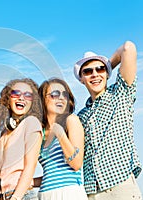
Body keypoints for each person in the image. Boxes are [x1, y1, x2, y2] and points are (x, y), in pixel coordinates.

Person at [74, 41, 142, 199]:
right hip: (92, 191)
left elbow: (128, 48)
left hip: (121, 186)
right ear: (81, 79)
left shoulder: (120, 94)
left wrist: (106, 67)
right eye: (88, 71)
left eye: (100, 68)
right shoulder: (81, 116)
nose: (95, 73)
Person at [34, 77, 87, 200]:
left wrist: (59, 133)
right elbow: (51, 174)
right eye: (55, 94)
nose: (61, 98)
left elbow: (76, 163)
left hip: (69, 192)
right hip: (45, 194)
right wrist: (31, 183)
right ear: (42, 99)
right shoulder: (40, 131)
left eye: (65, 94)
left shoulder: (71, 121)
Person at [0, 78, 42, 200]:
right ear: (8, 99)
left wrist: (16, 197)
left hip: (20, 195)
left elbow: (30, 166)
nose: (21, 98)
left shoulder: (31, 123)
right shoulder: (4, 132)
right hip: (1, 195)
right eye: (16, 93)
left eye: (28, 95)